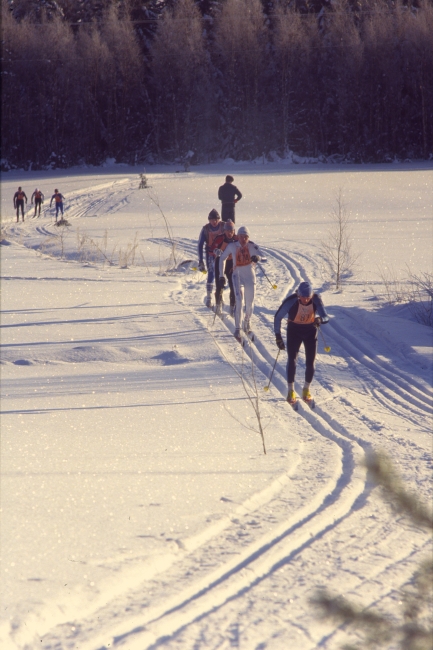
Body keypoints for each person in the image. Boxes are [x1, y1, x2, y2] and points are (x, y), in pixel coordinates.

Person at [274, 281, 329, 406]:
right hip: (294, 331)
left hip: (310, 332)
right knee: (292, 360)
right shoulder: (292, 300)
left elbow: (326, 317)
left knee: (311, 361)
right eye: (303, 297)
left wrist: (319, 319)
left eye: (307, 297)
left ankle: (306, 389)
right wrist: (278, 336)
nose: (305, 300)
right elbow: (278, 317)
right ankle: (290, 391)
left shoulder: (316, 300)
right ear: (298, 295)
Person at [219, 225, 264, 341]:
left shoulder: (252, 246)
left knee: (250, 303)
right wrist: (221, 275)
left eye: (245, 237)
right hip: (237, 276)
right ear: (237, 236)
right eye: (241, 237)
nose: (243, 239)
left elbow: (265, 258)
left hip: (250, 277)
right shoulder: (232, 246)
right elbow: (222, 258)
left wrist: (258, 258)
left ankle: (247, 320)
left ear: (248, 237)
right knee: (239, 301)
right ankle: (237, 329)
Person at [197, 209, 225, 308]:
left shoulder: (223, 226)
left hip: (223, 253)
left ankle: (220, 295)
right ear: (209, 220)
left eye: (216, 219)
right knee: (212, 273)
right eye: (212, 220)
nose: (214, 222)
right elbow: (200, 244)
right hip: (210, 254)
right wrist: (200, 260)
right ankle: (209, 297)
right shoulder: (206, 229)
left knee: (222, 274)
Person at [210, 219, 238, 316]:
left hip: (231, 263)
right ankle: (218, 306)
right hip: (220, 262)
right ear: (224, 231)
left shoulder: (237, 239)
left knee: (233, 285)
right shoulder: (219, 238)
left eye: (232, 231)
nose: (230, 233)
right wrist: (216, 251)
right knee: (219, 285)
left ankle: (232, 307)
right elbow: (212, 248)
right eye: (228, 231)